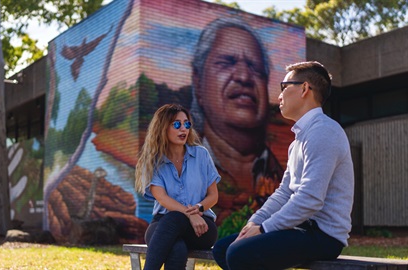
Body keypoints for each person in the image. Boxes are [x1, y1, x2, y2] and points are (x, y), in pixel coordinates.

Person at [212, 61, 355, 269]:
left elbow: (310, 199)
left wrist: (264, 229)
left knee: (238, 254)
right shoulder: (299, 140)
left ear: (305, 88)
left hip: (323, 235)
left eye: (284, 87)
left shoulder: (324, 132)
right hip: (301, 227)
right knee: (223, 249)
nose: (279, 96)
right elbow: (284, 192)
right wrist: (254, 222)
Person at [191, 17, 283, 223]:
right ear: (198, 82)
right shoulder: (184, 164)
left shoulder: (287, 174)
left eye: (256, 68)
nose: (244, 76)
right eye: (226, 63)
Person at [135, 103, 221, 270]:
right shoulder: (154, 161)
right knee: (177, 248)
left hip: (201, 226)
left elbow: (213, 196)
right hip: (162, 223)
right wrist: (191, 215)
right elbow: (162, 198)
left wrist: (197, 211)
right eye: (177, 124)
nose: (184, 129)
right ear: (163, 128)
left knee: (175, 219)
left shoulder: (201, 155)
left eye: (187, 124)